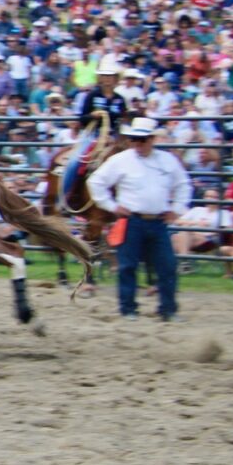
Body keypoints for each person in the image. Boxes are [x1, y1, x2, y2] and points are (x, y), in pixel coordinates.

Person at [87, 117, 192, 322]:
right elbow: (96, 182)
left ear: (152, 139)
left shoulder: (167, 160)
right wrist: (111, 206)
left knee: (167, 266)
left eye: (142, 139)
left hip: (158, 221)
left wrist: (177, 210)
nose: (138, 144)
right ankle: (128, 309)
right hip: (131, 220)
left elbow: (184, 185)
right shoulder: (121, 160)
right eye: (134, 139)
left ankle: (168, 309)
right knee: (127, 266)